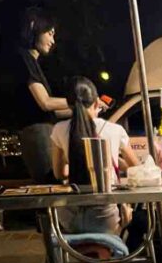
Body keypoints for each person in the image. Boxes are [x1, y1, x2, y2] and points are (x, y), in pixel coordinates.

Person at [51, 77, 138, 236]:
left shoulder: (59, 129)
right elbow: (136, 168)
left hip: (70, 218)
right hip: (105, 219)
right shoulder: (115, 130)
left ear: (69, 104)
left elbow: (59, 173)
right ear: (97, 103)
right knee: (133, 216)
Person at [15, 8, 71, 183]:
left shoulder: (33, 62)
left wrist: (83, 109)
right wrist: (81, 101)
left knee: (54, 184)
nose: (52, 41)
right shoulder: (24, 60)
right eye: (50, 33)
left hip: (45, 129)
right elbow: (45, 103)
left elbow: (52, 112)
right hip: (36, 133)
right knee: (50, 184)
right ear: (34, 27)